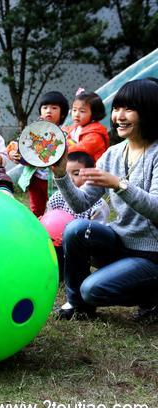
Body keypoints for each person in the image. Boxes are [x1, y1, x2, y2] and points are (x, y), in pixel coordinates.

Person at [52, 79, 158, 321]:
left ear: (149, 111)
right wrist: (61, 176)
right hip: (120, 243)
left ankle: (152, 296)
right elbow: (81, 203)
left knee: (93, 289)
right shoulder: (113, 154)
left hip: (151, 254)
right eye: (117, 108)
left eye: (128, 109)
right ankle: (77, 305)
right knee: (76, 229)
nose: (119, 116)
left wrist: (119, 185)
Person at [45, 151, 110, 280]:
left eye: (76, 174)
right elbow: (49, 220)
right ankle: (55, 271)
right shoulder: (57, 198)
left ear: (91, 174)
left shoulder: (98, 205)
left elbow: (99, 231)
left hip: (83, 247)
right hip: (57, 244)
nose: (70, 179)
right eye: (66, 173)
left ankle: (76, 274)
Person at [9, 91, 69, 217]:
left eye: (54, 108)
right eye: (45, 107)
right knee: (36, 209)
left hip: (54, 180)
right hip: (35, 177)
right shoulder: (33, 130)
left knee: (56, 209)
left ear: (62, 113)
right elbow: (18, 145)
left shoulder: (65, 133)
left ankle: (54, 232)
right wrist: (12, 152)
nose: (49, 111)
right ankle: (37, 232)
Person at [63, 90, 109, 162]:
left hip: (91, 171)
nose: (76, 114)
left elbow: (78, 150)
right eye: (74, 110)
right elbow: (64, 132)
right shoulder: (75, 127)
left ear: (94, 114)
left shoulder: (95, 136)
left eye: (82, 111)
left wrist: (59, 148)